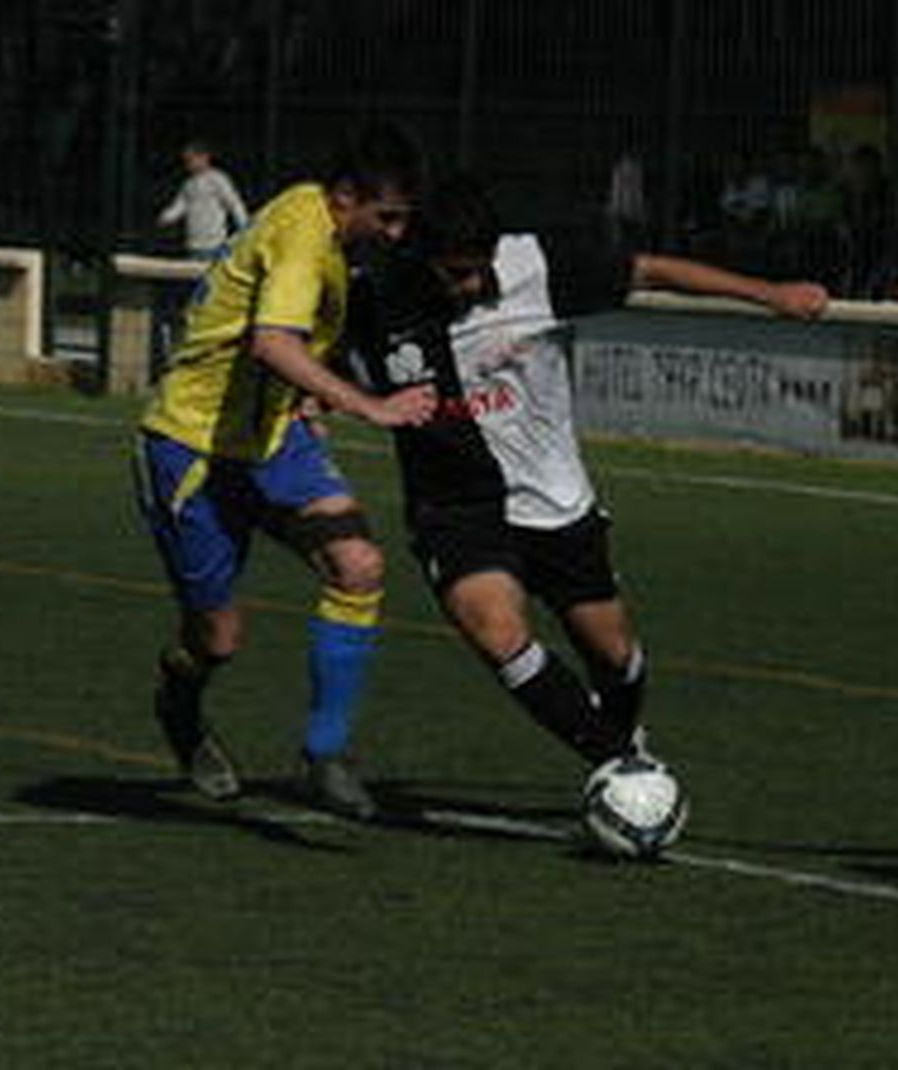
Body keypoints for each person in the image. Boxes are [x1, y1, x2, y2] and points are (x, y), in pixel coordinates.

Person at [345, 175, 828, 779]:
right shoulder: (379, 296)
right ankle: (621, 770)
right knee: (498, 632)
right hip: (457, 508)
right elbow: (310, 345)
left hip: (555, 502)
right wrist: (323, 398)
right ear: (423, 257)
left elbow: (649, 270)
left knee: (615, 655)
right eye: (455, 273)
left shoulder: (534, 263)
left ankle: (622, 745)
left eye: (478, 270)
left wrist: (772, 294)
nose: (469, 286)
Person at [134, 122, 436, 819]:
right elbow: (272, 342)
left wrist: (303, 397)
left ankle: (323, 753)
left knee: (358, 565)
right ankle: (178, 702)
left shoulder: (321, 223)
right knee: (217, 638)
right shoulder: (304, 234)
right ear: (346, 195)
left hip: (272, 440)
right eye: (387, 217)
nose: (394, 233)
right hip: (191, 447)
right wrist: (369, 405)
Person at [156, 141, 250, 260]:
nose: (188, 164)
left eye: (191, 160)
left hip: (215, 242)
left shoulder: (218, 179)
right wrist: (167, 217)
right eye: (186, 161)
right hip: (194, 243)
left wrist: (244, 225)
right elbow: (180, 206)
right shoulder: (188, 185)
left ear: (205, 157)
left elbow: (234, 203)